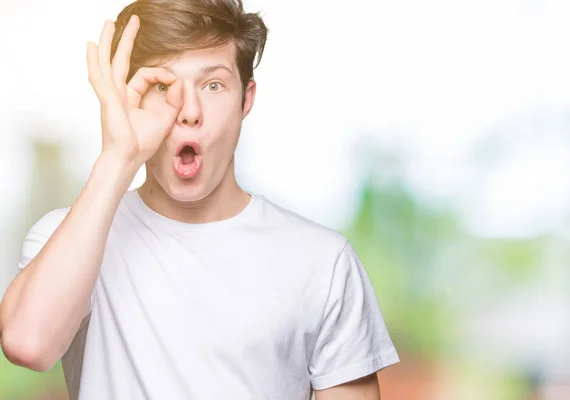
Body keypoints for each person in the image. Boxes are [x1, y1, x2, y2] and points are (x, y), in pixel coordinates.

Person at [0, 1, 400, 399]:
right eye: (162, 86)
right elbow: (27, 345)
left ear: (246, 98)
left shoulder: (322, 262)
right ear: (130, 99)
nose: (189, 112)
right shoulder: (68, 239)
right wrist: (117, 157)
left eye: (212, 85)